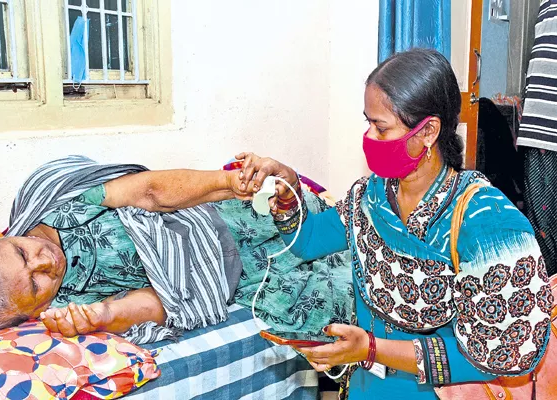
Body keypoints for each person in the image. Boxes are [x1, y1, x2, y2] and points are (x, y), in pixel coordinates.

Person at [234, 49, 553, 399]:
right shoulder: (371, 197)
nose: (369, 137)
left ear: (428, 131)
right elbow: (307, 241)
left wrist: (371, 349)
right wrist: (289, 187)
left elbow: (503, 355)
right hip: (367, 387)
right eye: (367, 122)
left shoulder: (487, 222)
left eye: (380, 126)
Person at [0, 157, 354, 344]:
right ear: (27, 313)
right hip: (240, 278)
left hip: (219, 216)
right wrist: (106, 317)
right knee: (349, 292)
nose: (45, 260)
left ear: (3, 238)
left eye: (23, 252)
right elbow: (161, 302)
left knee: (334, 222)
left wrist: (229, 183)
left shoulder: (58, 205)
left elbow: (150, 191)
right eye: (36, 282)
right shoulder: (65, 307)